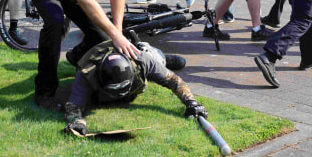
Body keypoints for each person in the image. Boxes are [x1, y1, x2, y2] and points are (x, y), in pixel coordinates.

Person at [62, 40, 206, 136]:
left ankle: (164, 59)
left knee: (157, 58)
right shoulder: (86, 73)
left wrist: (191, 102)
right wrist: (77, 122)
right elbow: (73, 106)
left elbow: (174, 81)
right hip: (95, 56)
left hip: (146, 54)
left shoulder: (142, 60)